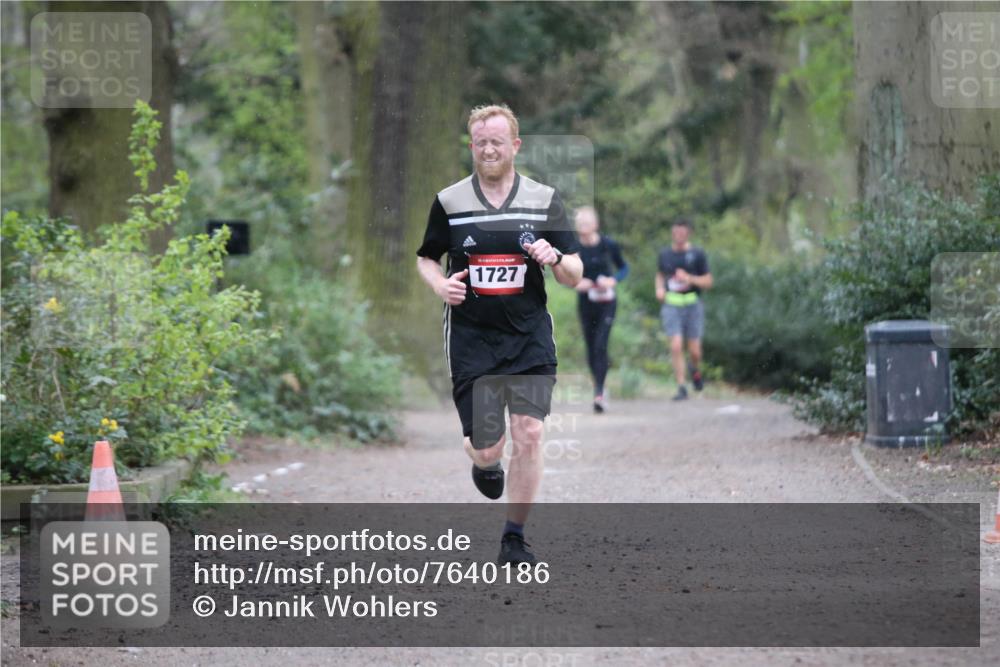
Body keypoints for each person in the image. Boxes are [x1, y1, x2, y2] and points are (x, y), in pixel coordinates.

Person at [415, 104, 582, 565]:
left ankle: (514, 537)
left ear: (515, 145)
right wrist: (439, 284)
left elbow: (575, 272)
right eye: (481, 142)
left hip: (528, 336)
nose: (489, 149)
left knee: (528, 433)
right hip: (472, 338)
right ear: (472, 145)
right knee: (490, 447)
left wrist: (555, 258)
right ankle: (482, 460)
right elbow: (427, 257)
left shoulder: (544, 199)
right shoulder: (449, 202)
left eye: (497, 141)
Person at [572, 206, 629, 413]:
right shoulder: (574, 248)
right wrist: (579, 284)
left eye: (586, 223)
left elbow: (624, 268)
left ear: (595, 224)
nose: (582, 227)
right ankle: (600, 385)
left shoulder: (608, 245)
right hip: (586, 303)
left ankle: (599, 393)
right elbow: (568, 277)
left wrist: (612, 280)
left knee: (600, 344)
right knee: (590, 348)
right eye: (579, 224)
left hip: (607, 303)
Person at [655, 217, 712, 401]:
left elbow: (708, 281)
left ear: (688, 233)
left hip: (693, 304)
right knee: (676, 345)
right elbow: (660, 275)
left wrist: (689, 279)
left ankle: (694, 369)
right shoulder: (665, 254)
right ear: (672, 233)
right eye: (675, 232)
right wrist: (659, 289)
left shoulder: (697, 254)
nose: (678, 235)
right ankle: (681, 386)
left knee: (694, 350)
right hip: (672, 304)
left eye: (682, 232)